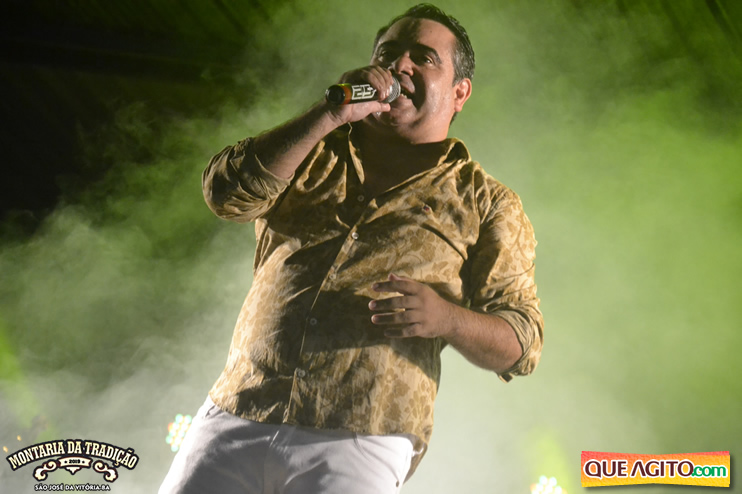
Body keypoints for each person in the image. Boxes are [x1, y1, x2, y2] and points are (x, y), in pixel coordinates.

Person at [159, 4, 543, 494]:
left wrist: (447, 319)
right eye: (388, 54)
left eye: (423, 58)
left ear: (459, 92)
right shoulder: (310, 150)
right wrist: (328, 114)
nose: (400, 66)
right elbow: (224, 194)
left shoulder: (487, 202)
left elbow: (522, 342)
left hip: (362, 434)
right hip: (238, 408)